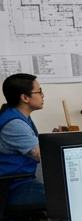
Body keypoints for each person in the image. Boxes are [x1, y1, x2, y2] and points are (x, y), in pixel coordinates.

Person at [0, 73, 46, 208]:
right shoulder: (14, 124)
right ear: (25, 98)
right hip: (12, 188)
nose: (43, 95)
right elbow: (41, 154)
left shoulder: (16, 115)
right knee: (62, 198)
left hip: (21, 181)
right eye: (39, 92)